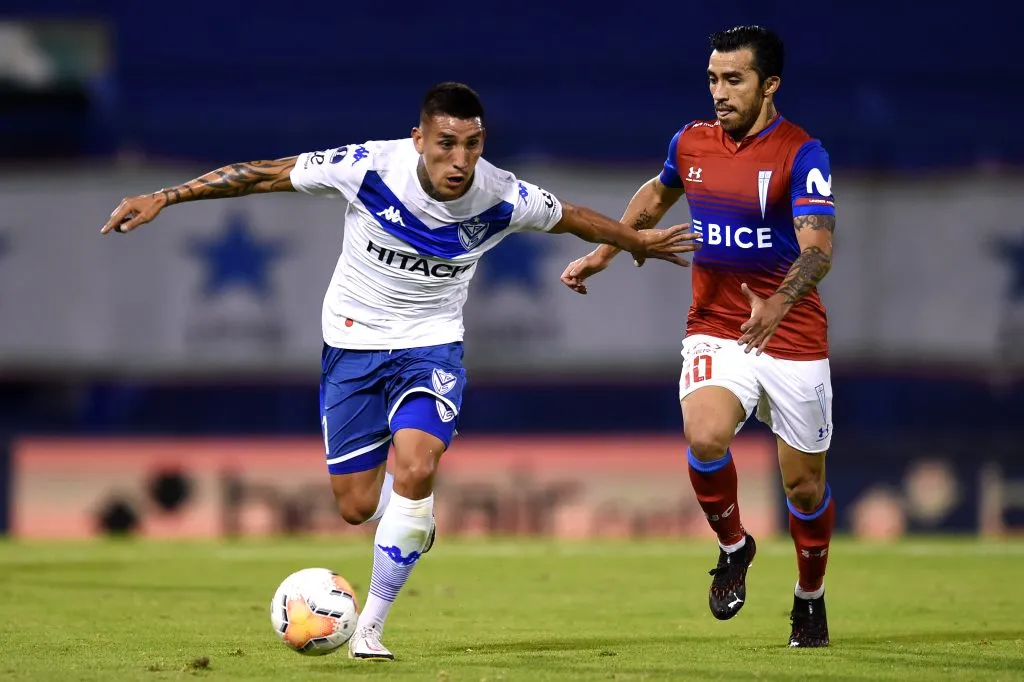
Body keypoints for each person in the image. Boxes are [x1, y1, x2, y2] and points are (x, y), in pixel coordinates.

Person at [101, 82, 700, 660]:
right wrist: (166, 196)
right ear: (419, 139)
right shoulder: (368, 168)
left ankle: (371, 628)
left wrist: (633, 243)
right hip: (352, 346)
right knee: (356, 506)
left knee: (415, 466)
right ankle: (411, 519)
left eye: (472, 144)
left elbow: (573, 216)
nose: (460, 159)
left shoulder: (502, 195)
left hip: (430, 346)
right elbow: (264, 174)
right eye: (446, 143)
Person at [560, 26, 836, 648]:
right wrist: (604, 253)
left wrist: (779, 303)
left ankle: (809, 597)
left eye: (734, 79)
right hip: (717, 327)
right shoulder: (690, 142)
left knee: (804, 488)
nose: (719, 91)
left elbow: (818, 249)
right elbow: (656, 196)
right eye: (713, 79)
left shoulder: (802, 153)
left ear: (770, 85)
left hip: (792, 335)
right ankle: (734, 547)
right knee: (705, 436)